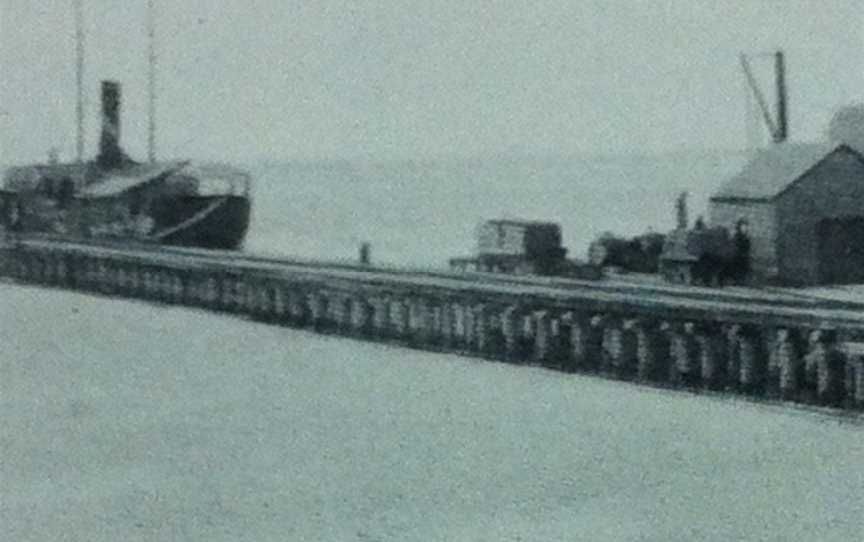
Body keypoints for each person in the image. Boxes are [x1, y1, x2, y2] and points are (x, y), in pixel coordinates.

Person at [732, 219, 751, 284]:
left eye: (745, 227)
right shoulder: (737, 236)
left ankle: (741, 280)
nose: (744, 228)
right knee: (737, 267)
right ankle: (736, 280)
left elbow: (748, 246)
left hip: (744, 255)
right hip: (737, 255)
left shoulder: (746, 236)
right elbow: (735, 245)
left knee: (744, 267)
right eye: (742, 227)